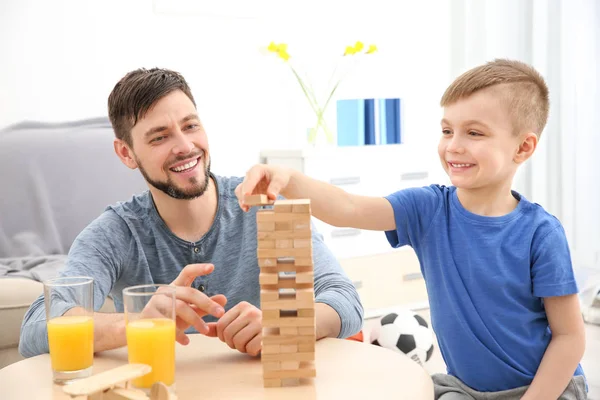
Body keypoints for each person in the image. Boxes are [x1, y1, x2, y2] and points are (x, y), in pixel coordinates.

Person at [236, 59, 588, 399]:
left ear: (523, 147)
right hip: (466, 390)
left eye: (474, 133)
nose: (453, 145)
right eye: (447, 130)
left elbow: (569, 338)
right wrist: (290, 178)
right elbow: (349, 207)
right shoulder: (428, 208)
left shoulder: (541, 233)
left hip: (547, 390)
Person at [19, 68, 363, 358]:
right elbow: (36, 327)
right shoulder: (114, 233)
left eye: (191, 126)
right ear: (126, 153)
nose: (184, 146)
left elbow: (344, 298)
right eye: (159, 137)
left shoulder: (264, 205)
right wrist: (137, 322)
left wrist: (287, 324)